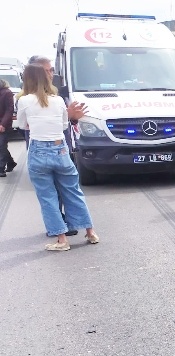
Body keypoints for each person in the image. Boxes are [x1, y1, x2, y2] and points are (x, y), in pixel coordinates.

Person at [16, 64, 98, 251]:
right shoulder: (59, 100)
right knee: (73, 191)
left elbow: (22, 124)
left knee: (48, 197)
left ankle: (62, 240)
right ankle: (90, 232)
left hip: (38, 150)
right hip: (60, 148)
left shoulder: (24, 101)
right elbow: (63, 125)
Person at [28, 55, 87, 237]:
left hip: (62, 146)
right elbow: (27, 125)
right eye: (46, 71)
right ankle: (59, 225)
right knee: (50, 191)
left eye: (51, 70)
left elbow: (66, 123)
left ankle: (68, 224)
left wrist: (73, 117)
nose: (50, 74)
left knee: (66, 189)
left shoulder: (59, 95)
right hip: (40, 148)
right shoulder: (27, 98)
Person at [0, 79, 17, 177]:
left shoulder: (7, 93)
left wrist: (3, 124)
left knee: (1, 145)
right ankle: (11, 162)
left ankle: (1, 169)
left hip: (4, 124)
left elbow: (9, 110)